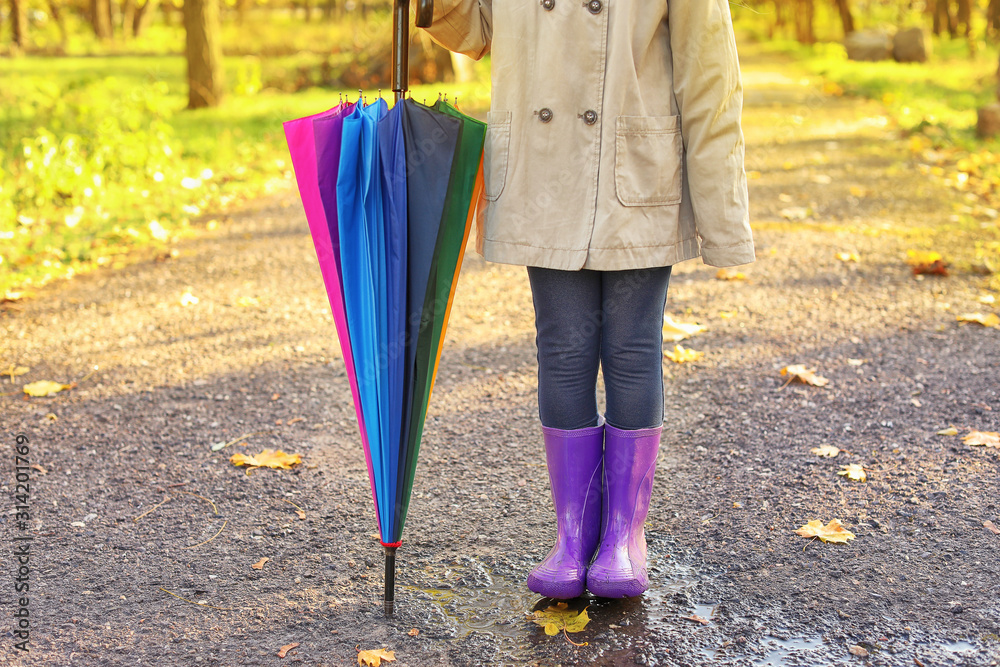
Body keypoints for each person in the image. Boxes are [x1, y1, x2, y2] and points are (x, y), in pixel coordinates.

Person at [421, 1, 754, 599]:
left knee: (631, 346)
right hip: (543, 170)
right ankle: (573, 536)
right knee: (564, 348)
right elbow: (472, 31)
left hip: (635, 169)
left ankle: (624, 535)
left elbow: (709, 76)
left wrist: (724, 221)